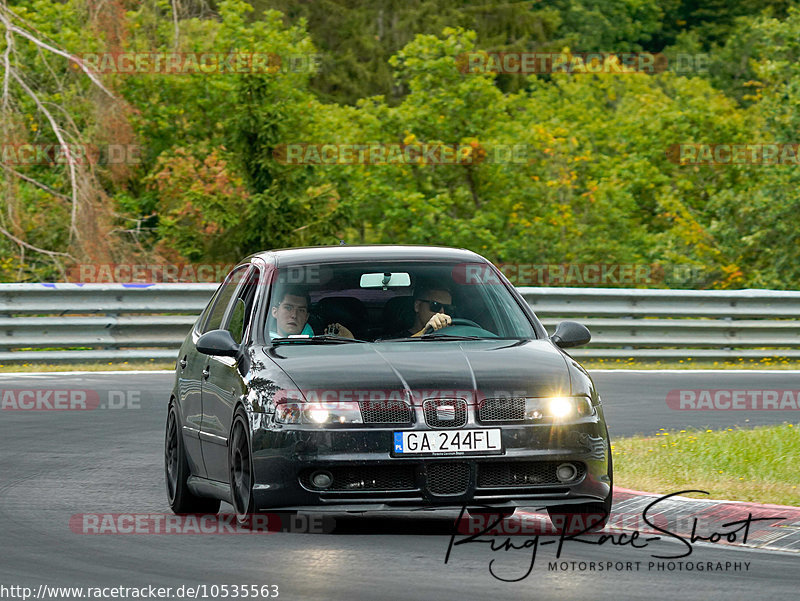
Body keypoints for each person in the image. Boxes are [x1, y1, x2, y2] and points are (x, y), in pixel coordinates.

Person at [269, 286, 353, 339]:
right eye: (288, 308)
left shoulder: (320, 346)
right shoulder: (260, 345)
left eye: (301, 310)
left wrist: (348, 342)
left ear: (306, 317)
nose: (294, 315)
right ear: (275, 312)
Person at [388, 286, 454, 338]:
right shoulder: (396, 338)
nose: (442, 312)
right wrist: (424, 332)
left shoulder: (454, 336)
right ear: (417, 306)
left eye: (447, 308)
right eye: (435, 305)